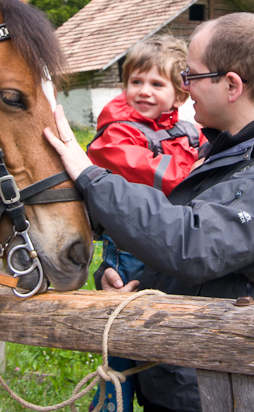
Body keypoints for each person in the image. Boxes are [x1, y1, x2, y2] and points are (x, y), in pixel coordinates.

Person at [45, 12, 254, 412]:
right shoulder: (222, 152)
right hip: (183, 378)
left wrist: (89, 174)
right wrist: (118, 276)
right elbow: (174, 233)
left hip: (225, 393)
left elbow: (192, 244)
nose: (184, 86)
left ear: (232, 85)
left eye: (192, 76)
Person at [87, 35, 206, 412]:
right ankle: (111, 401)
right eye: (136, 82)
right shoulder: (118, 129)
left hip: (167, 240)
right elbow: (150, 171)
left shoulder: (187, 132)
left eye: (157, 84)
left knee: (161, 323)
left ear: (180, 95)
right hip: (130, 246)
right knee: (122, 326)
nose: (144, 91)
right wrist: (194, 172)